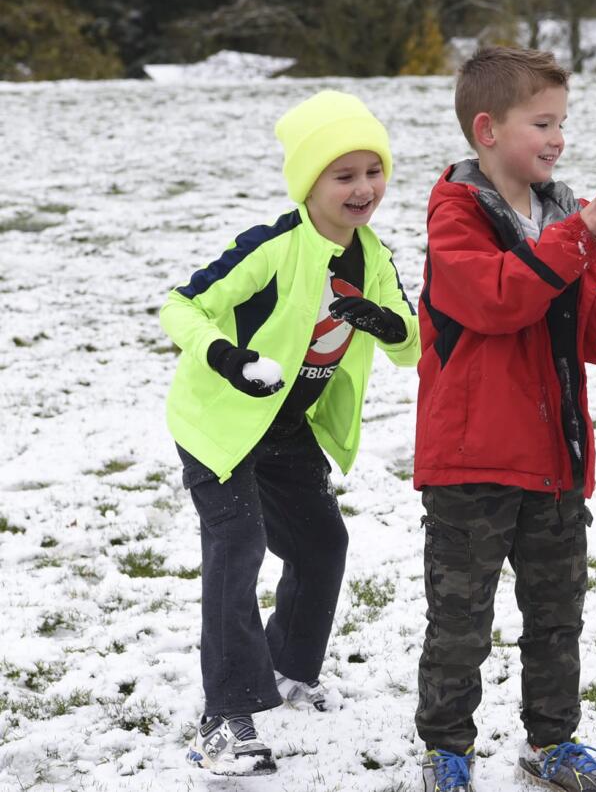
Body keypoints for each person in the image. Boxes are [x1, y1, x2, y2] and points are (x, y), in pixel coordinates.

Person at [413, 46, 596, 792]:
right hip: (471, 460)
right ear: (487, 129)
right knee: (460, 624)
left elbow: (594, 332)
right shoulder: (456, 213)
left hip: (554, 457)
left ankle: (553, 741)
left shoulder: (566, 213)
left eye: (563, 123)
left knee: (556, 615)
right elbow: (497, 299)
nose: (558, 139)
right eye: (542, 123)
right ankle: (446, 749)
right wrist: (576, 239)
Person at [160, 89, 421, 776]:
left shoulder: (371, 256)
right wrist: (230, 358)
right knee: (238, 543)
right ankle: (225, 717)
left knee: (320, 542)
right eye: (344, 175)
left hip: (286, 426)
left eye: (373, 170)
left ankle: (285, 672)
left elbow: (411, 345)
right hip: (220, 423)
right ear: (310, 183)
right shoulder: (273, 247)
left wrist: (383, 322)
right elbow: (181, 307)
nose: (364, 188)